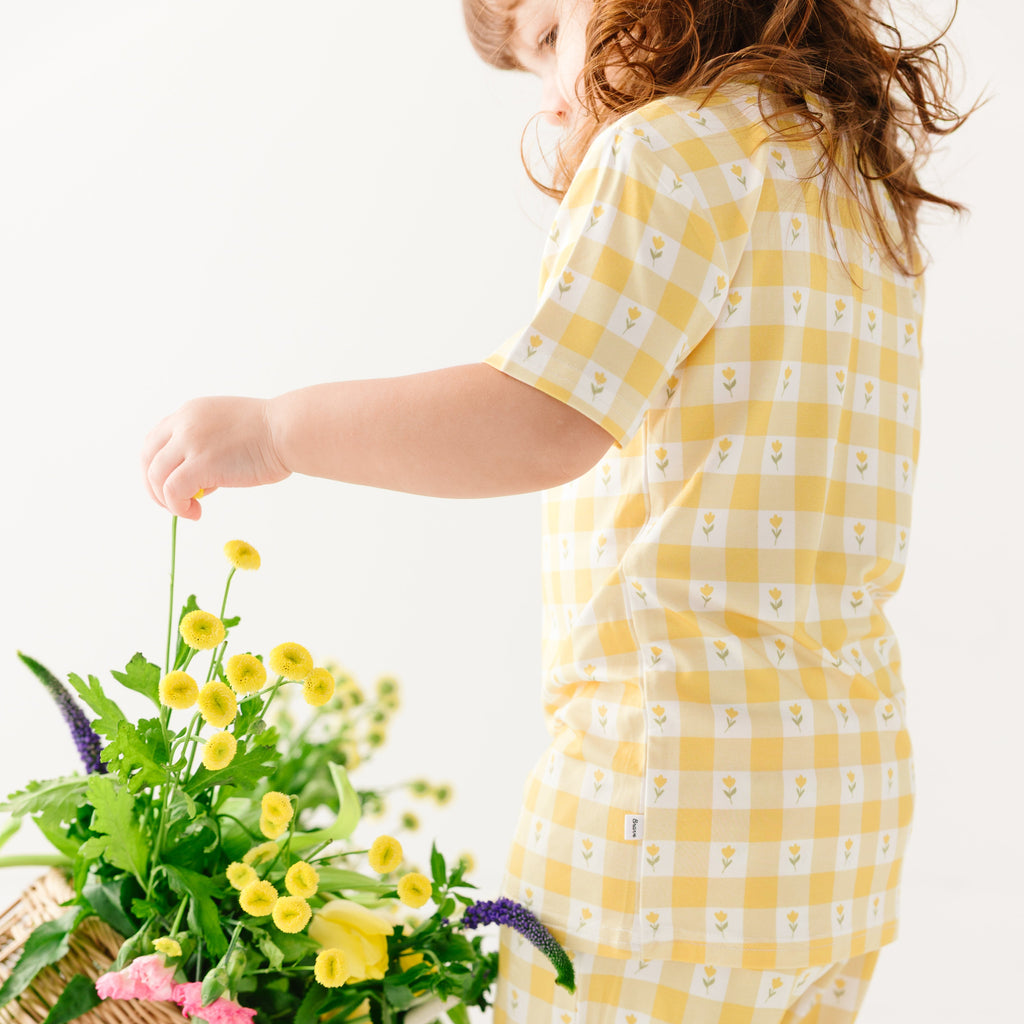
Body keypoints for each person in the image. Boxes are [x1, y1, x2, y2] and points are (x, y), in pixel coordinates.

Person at [142, 1, 974, 1020]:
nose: (546, 98)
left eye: (545, 37)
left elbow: (540, 415)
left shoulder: (663, 150)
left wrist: (277, 430)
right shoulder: (848, 176)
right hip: (842, 817)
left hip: (669, 802)